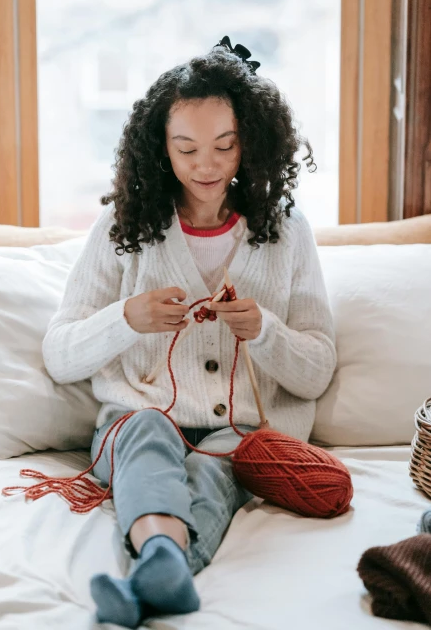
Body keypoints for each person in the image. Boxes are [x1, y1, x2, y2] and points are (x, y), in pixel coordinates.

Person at [42, 36, 337, 628]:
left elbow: (316, 370)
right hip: (132, 424)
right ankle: (160, 561)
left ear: (250, 141)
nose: (207, 166)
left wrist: (265, 332)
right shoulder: (124, 225)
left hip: (239, 434)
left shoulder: (286, 232)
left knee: (216, 465)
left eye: (225, 146)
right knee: (149, 432)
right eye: (187, 149)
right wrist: (127, 318)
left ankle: (157, 567)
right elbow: (60, 353)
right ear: (161, 150)